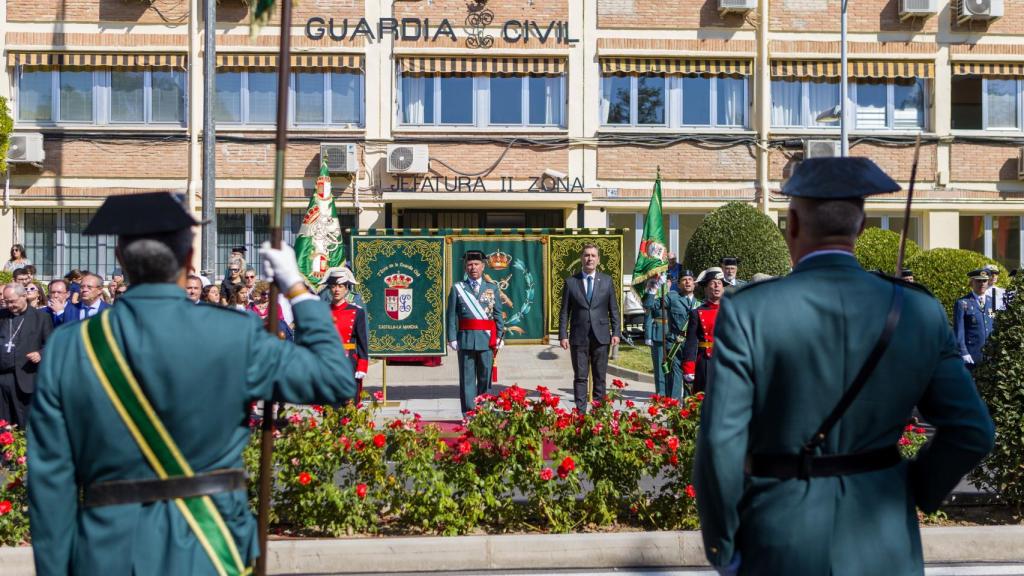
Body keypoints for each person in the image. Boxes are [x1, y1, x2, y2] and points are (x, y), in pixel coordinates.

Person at [27, 191, 355, 575]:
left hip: (108, 553)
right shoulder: (234, 333)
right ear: (188, 261)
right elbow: (334, 380)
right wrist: (296, 287)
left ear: (120, 259)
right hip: (208, 549)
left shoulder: (71, 346)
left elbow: (50, 483)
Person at [694, 157, 994, 576]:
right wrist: (912, 490)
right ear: (863, 227)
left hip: (779, 538)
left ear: (792, 225)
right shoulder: (918, 311)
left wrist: (722, 545)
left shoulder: (750, 310)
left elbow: (721, 443)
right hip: (883, 541)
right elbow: (972, 430)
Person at [558, 243, 621, 413]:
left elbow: (613, 309)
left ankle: (598, 412)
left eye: (593, 255)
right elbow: (564, 311)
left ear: (598, 259)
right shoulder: (571, 282)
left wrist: (616, 332)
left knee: (600, 377)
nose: (590, 259)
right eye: (586, 255)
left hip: (601, 336)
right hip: (579, 337)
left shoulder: (607, 281)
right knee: (580, 377)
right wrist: (563, 335)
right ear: (581, 258)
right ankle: (580, 412)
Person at [447, 250, 505, 415]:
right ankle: (469, 413)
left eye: (476, 264)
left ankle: (484, 411)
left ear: (483, 266)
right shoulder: (458, 288)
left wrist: (500, 336)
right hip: (465, 339)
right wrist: (452, 338)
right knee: (467, 379)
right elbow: (451, 314)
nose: (473, 268)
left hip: (487, 340)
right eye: (470, 265)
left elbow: (497, 314)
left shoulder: (492, 288)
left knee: (485, 378)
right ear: (465, 268)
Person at [0, 283, 52, 428]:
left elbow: (51, 345)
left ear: (24, 296)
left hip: (24, 377)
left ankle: (24, 451)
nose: (9, 305)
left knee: (23, 422)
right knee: (2, 422)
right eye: (6, 301)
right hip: (2, 377)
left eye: (13, 301)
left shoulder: (41, 318)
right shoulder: (2, 315)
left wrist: (40, 354)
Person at [643, 269, 699, 399]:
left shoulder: (699, 303)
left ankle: (688, 407)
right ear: (679, 284)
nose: (687, 282)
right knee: (675, 378)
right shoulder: (672, 297)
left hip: (692, 345)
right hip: (675, 343)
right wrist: (652, 289)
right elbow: (650, 305)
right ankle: (673, 409)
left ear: (694, 283)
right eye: (684, 280)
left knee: (690, 378)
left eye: (690, 280)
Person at [326, 268, 369, 400]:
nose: (337, 290)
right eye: (333, 286)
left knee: (349, 404)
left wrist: (362, 366)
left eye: (340, 286)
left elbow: (362, 342)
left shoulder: (357, 312)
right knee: (329, 406)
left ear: (346, 289)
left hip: (349, 361)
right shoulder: (322, 311)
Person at [682, 267, 725, 395]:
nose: (717, 286)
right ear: (706, 289)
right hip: (706, 361)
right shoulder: (697, 312)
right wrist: (689, 367)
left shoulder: (732, 311)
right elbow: (691, 342)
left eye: (720, 283)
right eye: (713, 283)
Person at [953, 268, 996, 371]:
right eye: (978, 281)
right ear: (972, 282)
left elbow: (994, 324)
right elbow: (959, 331)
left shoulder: (991, 301)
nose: (982, 284)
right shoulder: (963, 303)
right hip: (972, 354)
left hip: (990, 355)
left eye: (984, 280)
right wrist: (963, 352)